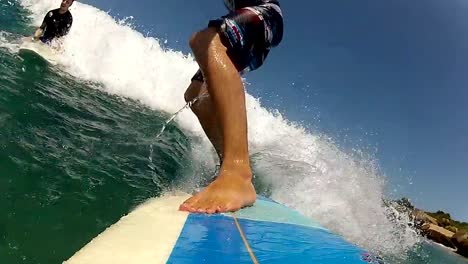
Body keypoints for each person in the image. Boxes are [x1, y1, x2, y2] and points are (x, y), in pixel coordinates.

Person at [180, 0, 283, 214]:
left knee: (205, 40)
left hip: (266, 14)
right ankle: (225, 163)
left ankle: (237, 173)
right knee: (194, 94)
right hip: (249, 24)